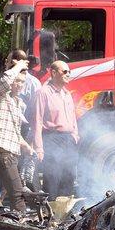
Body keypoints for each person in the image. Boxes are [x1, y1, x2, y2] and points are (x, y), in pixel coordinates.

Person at [0, 58, 33, 212]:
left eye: (22, 82)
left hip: (12, 153)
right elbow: (6, 80)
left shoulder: (18, 102)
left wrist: (26, 145)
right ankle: (22, 227)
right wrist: (19, 65)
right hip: (2, 152)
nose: (19, 85)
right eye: (17, 81)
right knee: (18, 196)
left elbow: (14, 131)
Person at [31, 61, 78, 198]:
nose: (68, 74)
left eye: (69, 72)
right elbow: (37, 121)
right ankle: (50, 213)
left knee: (69, 177)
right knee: (52, 178)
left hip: (68, 139)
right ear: (53, 73)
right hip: (52, 138)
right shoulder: (43, 93)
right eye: (65, 71)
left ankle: (64, 214)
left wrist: (75, 135)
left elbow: (72, 116)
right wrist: (39, 147)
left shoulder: (67, 94)